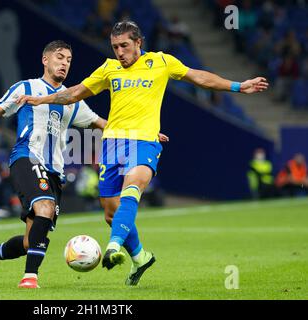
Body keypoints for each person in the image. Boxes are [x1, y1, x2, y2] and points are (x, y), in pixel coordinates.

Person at [16, 20, 269, 286]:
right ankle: (140, 257)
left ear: (139, 43)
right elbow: (75, 93)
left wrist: (239, 86)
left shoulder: (161, 62)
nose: (119, 52)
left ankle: (113, 246)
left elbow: (199, 77)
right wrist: (41, 99)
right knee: (111, 213)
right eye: (115, 47)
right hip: (112, 144)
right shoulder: (109, 68)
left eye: (124, 45)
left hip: (145, 141)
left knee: (132, 187)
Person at [0, 40, 107, 289]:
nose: (64, 63)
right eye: (59, 57)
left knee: (30, 242)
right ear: (45, 60)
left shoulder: (72, 100)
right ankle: (29, 278)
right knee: (44, 207)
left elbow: (102, 124)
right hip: (27, 157)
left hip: (55, 171)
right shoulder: (26, 88)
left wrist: (140, 133)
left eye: (69, 59)